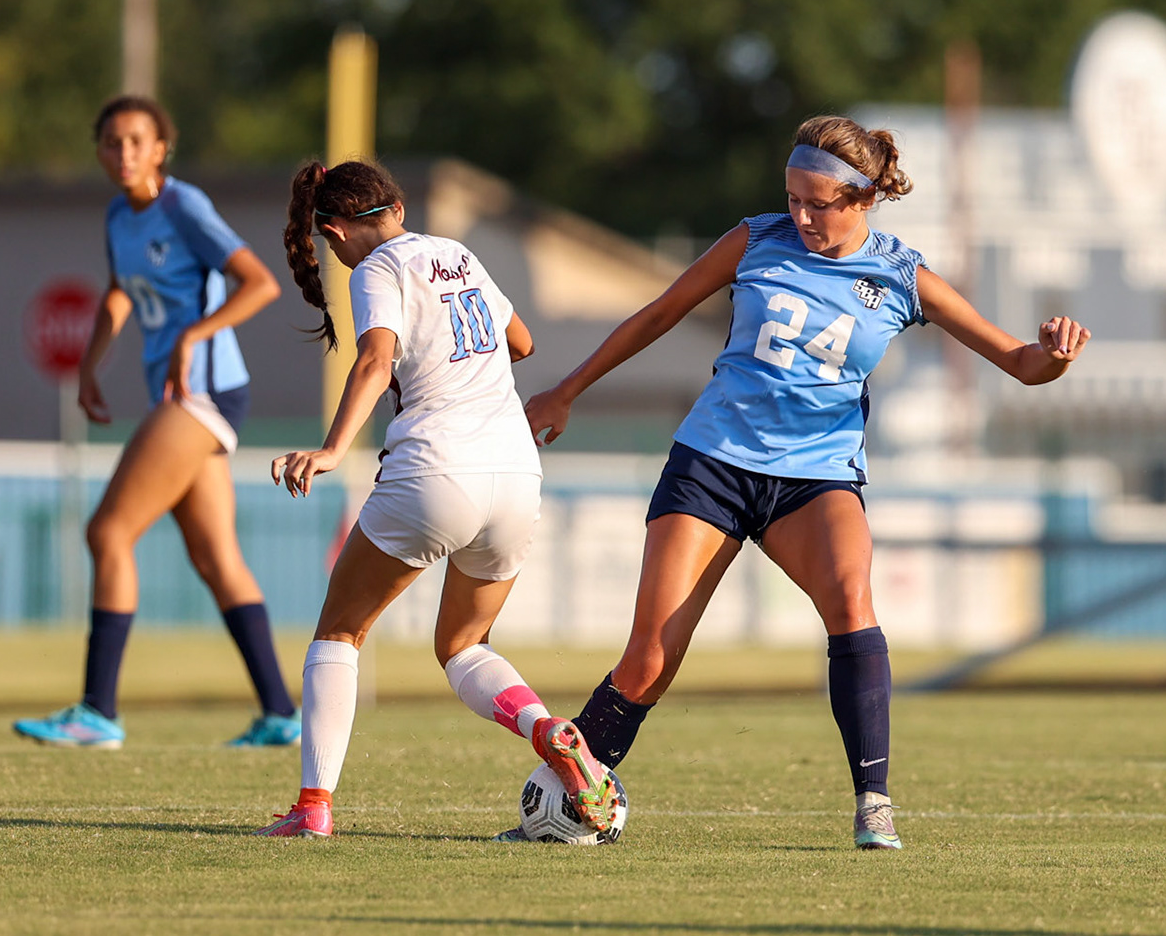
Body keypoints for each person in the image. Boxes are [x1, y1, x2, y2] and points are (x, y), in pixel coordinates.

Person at [523, 115, 1091, 850]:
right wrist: (568, 389)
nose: (799, 215)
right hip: (714, 465)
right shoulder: (754, 239)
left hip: (815, 479)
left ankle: (874, 804)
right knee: (650, 659)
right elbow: (660, 313)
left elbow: (1019, 363)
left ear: (863, 198)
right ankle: (572, 805)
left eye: (817, 203)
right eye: (792, 197)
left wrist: (1056, 355)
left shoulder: (901, 277)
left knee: (853, 604)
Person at [250, 158, 616, 839]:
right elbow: (522, 342)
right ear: (398, 209)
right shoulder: (456, 253)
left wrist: (332, 449)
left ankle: (313, 806)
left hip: (436, 469)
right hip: (515, 474)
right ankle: (545, 729)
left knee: (340, 633)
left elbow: (375, 360)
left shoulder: (375, 269)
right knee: (463, 643)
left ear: (335, 232)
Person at [13, 96, 299, 750]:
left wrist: (193, 335)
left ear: (161, 148)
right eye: (112, 143)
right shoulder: (120, 214)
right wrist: (89, 365)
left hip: (202, 393)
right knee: (215, 558)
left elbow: (258, 283)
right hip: (183, 393)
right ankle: (281, 713)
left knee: (108, 531)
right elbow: (121, 291)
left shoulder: (183, 207)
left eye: (137, 141)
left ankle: (97, 711)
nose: (124, 153)